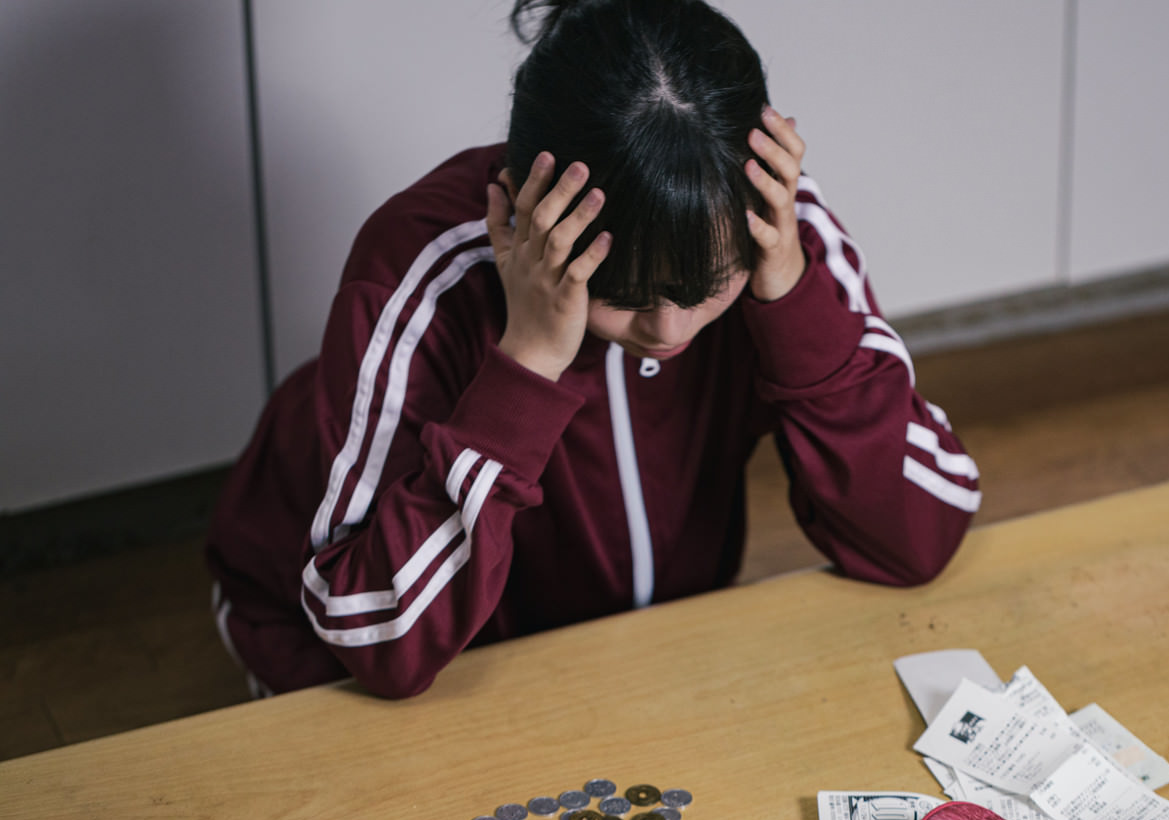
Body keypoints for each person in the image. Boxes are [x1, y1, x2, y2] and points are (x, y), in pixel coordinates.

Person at [206, 0, 980, 700]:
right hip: (359, 648)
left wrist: (794, 305)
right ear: (527, 208)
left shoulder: (778, 231)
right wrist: (527, 363)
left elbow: (919, 538)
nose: (670, 332)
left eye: (710, 285)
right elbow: (375, 635)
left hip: (627, 652)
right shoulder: (424, 269)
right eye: (628, 296)